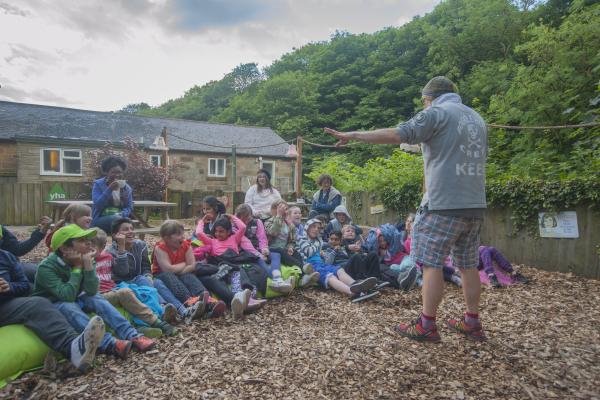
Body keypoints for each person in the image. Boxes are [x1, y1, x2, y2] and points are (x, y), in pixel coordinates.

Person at [326, 76, 488, 342]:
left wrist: (353, 135)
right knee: (468, 265)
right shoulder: (475, 118)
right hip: (475, 202)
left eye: (424, 102)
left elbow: (396, 133)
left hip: (443, 204)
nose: (424, 106)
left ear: (429, 98)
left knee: (431, 264)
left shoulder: (436, 113)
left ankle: (426, 324)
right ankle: (472, 320)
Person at [33, 224, 156, 359]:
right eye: (81, 240)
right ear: (65, 248)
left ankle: (132, 335)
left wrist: (88, 266)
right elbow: (66, 296)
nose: (88, 243)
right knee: (68, 306)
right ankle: (110, 344)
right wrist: (78, 267)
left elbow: (92, 290)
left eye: (87, 239)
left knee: (95, 298)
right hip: (53, 304)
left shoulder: (85, 258)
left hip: (78, 297)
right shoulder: (46, 267)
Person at [0, 249, 105, 372]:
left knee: (38, 303)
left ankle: (74, 348)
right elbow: (67, 294)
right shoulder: (49, 266)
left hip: (6, 304)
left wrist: (10, 286)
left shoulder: (6, 256)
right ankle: (106, 343)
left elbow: (24, 285)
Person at [91, 228, 178, 337]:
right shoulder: (82, 262)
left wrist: (121, 250)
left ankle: (157, 316)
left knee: (143, 290)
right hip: (98, 294)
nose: (89, 249)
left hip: (112, 288)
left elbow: (122, 270)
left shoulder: (107, 256)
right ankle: (158, 323)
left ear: (102, 247)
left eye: (93, 246)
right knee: (126, 292)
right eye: (87, 246)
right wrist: (89, 262)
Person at [195, 214, 267, 320]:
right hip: (222, 265)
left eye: (221, 231)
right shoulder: (212, 241)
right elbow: (199, 233)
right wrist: (202, 221)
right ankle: (242, 300)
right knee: (234, 273)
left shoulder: (234, 239)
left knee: (249, 272)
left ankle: (249, 297)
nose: (218, 234)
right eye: (216, 231)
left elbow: (242, 227)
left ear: (228, 232)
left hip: (236, 263)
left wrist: (232, 217)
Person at [152, 220, 225, 322]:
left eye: (182, 233)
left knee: (189, 276)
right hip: (162, 274)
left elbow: (192, 265)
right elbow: (167, 269)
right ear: (166, 238)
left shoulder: (186, 245)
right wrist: (183, 264)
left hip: (182, 272)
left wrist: (180, 270)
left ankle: (208, 302)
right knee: (169, 276)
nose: (182, 237)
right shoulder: (160, 248)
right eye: (178, 234)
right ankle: (189, 302)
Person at [298, 219, 378, 302]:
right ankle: (352, 293)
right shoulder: (302, 239)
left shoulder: (317, 241)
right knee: (330, 276)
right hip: (311, 266)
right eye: (313, 226)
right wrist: (320, 245)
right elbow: (308, 251)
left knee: (339, 270)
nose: (316, 229)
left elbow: (327, 253)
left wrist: (322, 253)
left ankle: (358, 286)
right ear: (307, 227)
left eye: (318, 228)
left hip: (322, 264)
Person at [235, 204, 294, 295]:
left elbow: (262, 238)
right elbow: (245, 244)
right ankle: (277, 280)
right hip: (246, 252)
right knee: (260, 261)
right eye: (244, 219)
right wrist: (259, 255)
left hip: (258, 249)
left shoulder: (257, 222)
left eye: (248, 218)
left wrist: (264, 248)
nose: (246, 221)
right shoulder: (235, 227)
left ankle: (278, 279)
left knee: (276, 255)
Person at [265, 200, 320, 288]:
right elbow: (273, 232)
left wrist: (290, 247)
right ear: (275, 210)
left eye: (285, 209)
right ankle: (304, 269)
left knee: (296, 253)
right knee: (280, 251)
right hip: (271, 249)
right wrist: (278, 216)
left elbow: (292, 241)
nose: (284, 211)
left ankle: (303, 278)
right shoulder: (268, 222)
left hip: (284, 250)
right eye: (281, 208)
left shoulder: (289, 225)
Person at [0, 216, 52, 282]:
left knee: (44, 274)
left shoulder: (1, 229)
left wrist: (41, 232)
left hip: (10, 268)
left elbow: (17, 249)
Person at [92, 156, 134, 234]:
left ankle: (120, 244)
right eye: (113, 172)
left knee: (124, 223)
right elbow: (98, 205)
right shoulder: (98, 184)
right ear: (107, 172)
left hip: (119, 218)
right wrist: (109, 189)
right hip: (100, 219)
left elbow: (129, 206)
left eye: (120, 172)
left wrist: (122, 214)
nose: (117, 175)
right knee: (118, 221)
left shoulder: (126, 188)